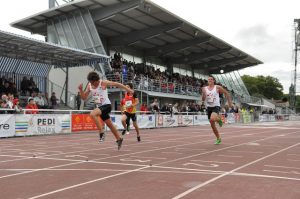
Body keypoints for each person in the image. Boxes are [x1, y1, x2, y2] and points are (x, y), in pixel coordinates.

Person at [78, 71, 133, 150]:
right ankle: (119, 139)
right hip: (100, 107)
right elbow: (84, 98)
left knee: (93, 114)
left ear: (96, 80)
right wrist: (80, 90)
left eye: (93, 83)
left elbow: (117, 84)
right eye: (90, 82)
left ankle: (101, 132)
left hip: (107, 105)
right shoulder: (90, 86)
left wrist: (128, 90)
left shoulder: (103, 83)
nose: (92, 84)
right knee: (110, 125)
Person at [201, 75, 232, 145]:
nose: (210, 80)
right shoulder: (204, 88)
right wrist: (203, 94)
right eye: (208, 80)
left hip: (216, 106)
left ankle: (218, 120)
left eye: (211, 79)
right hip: (209, 107)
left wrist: (230, 103)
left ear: (213, 80)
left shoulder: (217, 87)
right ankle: (218, 138)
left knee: (212, 119)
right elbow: (203, 99)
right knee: (212, 125)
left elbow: (226, 93)